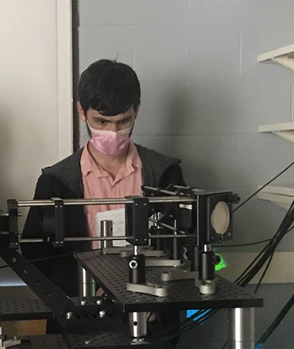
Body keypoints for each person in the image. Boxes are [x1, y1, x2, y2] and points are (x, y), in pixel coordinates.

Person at [21, 59, 186, 295]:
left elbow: (180, 249)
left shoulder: (165, 174)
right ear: (81, 111)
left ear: (136, 111)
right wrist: (87, 289)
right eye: (101, 121)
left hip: (153, 312)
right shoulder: (55, 183)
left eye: (123, 121)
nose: (112, 132)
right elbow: (37, 258)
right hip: (82, 317)